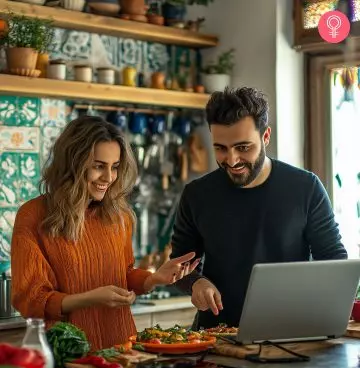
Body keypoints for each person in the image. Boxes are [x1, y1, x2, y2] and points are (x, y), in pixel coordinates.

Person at [11, 115, 200, 350]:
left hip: (121, 351)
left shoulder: (118, 215)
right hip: (69, 354)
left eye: (115, 167)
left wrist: (153, 279)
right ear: (73, 164)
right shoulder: (33, 216)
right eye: (98, 166)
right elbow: (30, 299)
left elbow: (123, 274)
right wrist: (90, 298)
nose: (109, 177)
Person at [171, 86, 348, 330]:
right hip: (216, 338)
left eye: (243, 147)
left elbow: (334, 261)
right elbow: (180, 265)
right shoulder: (197, 194)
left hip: (291, 334)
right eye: (221, 148)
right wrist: (195, 283)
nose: (231, 160)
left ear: (266, 137)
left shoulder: (305, 188)